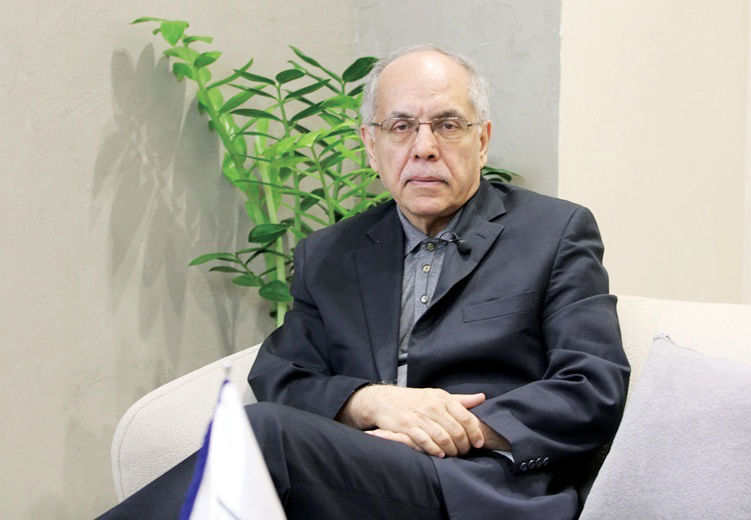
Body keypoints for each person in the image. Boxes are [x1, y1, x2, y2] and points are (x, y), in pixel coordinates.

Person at [100, 45, 629, 520]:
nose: (424, 147)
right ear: (371, 146)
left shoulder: (553, 232)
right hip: (354, 476)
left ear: (482, 140)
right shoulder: (330, 253)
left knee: (263, 433)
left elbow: (593, 386)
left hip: (479, 486)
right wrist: (370, 402)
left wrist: (448, 426)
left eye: (448, 125)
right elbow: (283, 374)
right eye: (401, 127)